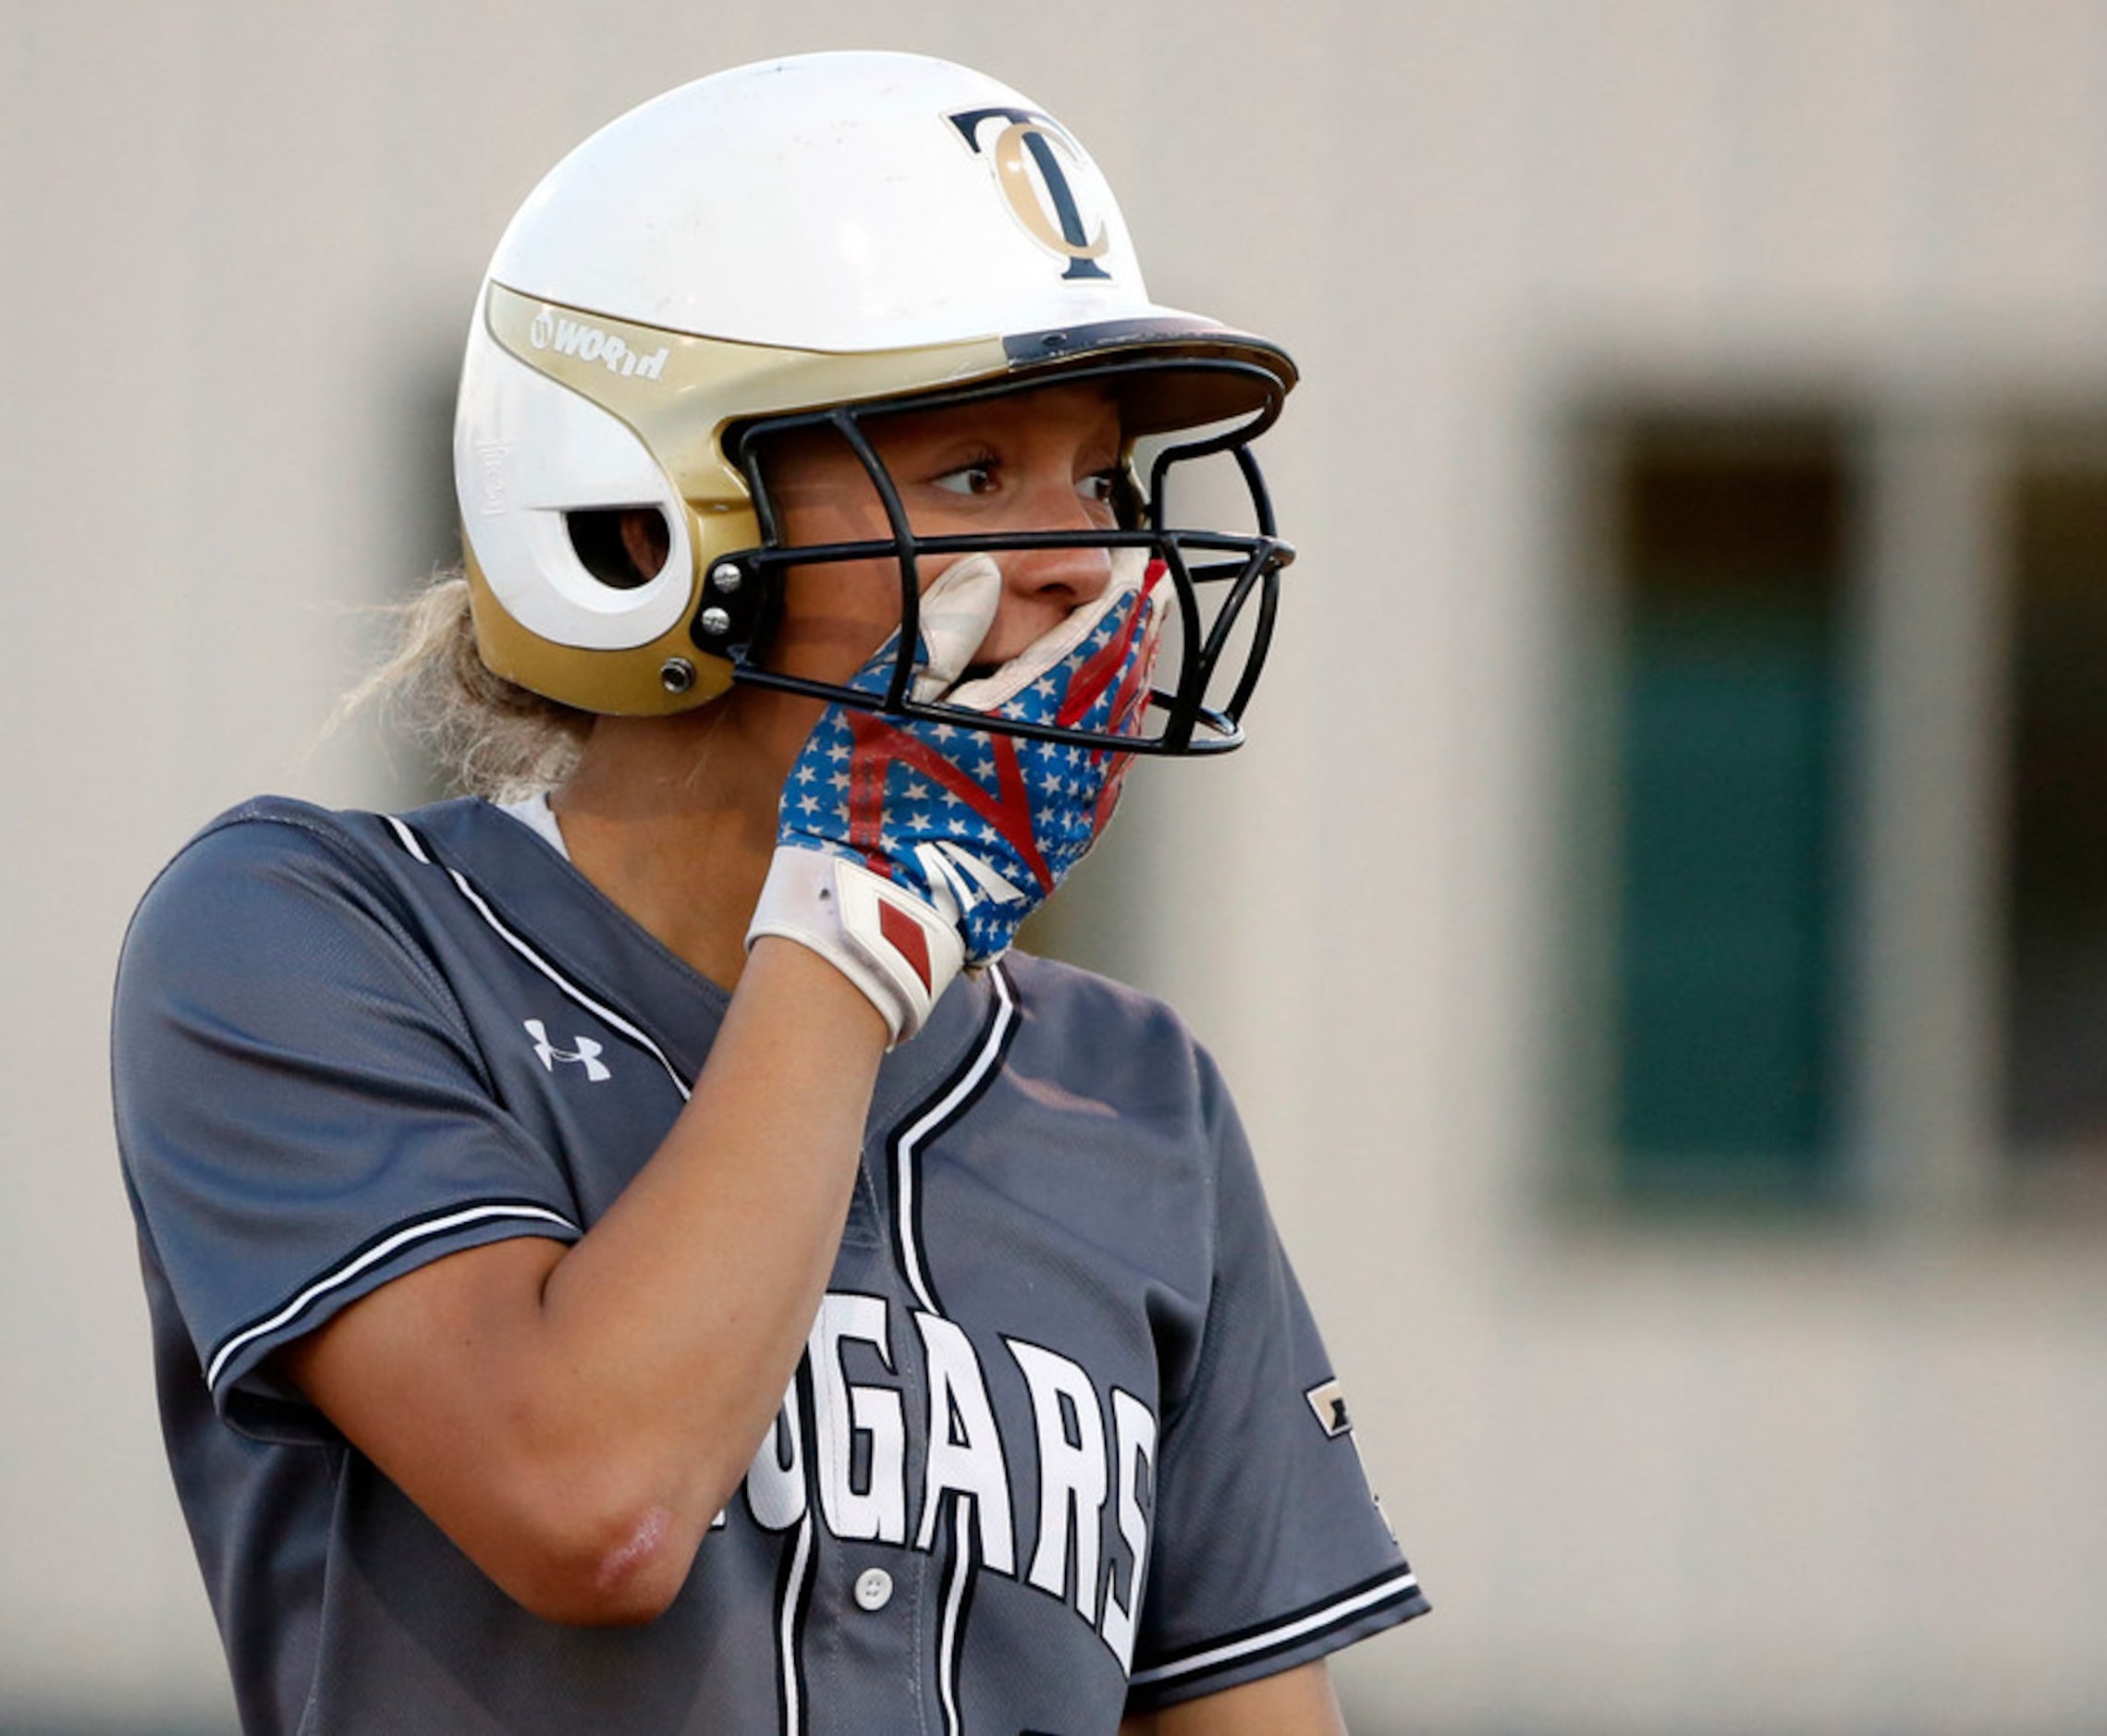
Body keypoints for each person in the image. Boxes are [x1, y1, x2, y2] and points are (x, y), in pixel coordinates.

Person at [112, 50, 1425, 1736]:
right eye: (970, 474)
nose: (1081, 558)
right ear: (638, 514)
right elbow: (597, 1502)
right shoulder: (312, 931)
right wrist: (853, 920)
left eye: (1095, 481)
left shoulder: (1132, 1093)